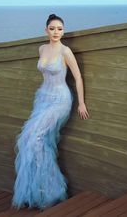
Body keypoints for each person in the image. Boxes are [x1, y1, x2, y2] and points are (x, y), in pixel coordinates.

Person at [11, 13, 89, 211]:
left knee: (35, 138)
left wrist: (81, 103)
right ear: (46, 30)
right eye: (52, 28)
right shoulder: (42, 48)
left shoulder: (66, 51)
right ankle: (38, 191)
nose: (56, 32)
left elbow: (78, 77)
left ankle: (52, 191)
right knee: (28, 140)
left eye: (60, 29)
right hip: (43, 98)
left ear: (63, 31)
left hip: (60, 100)